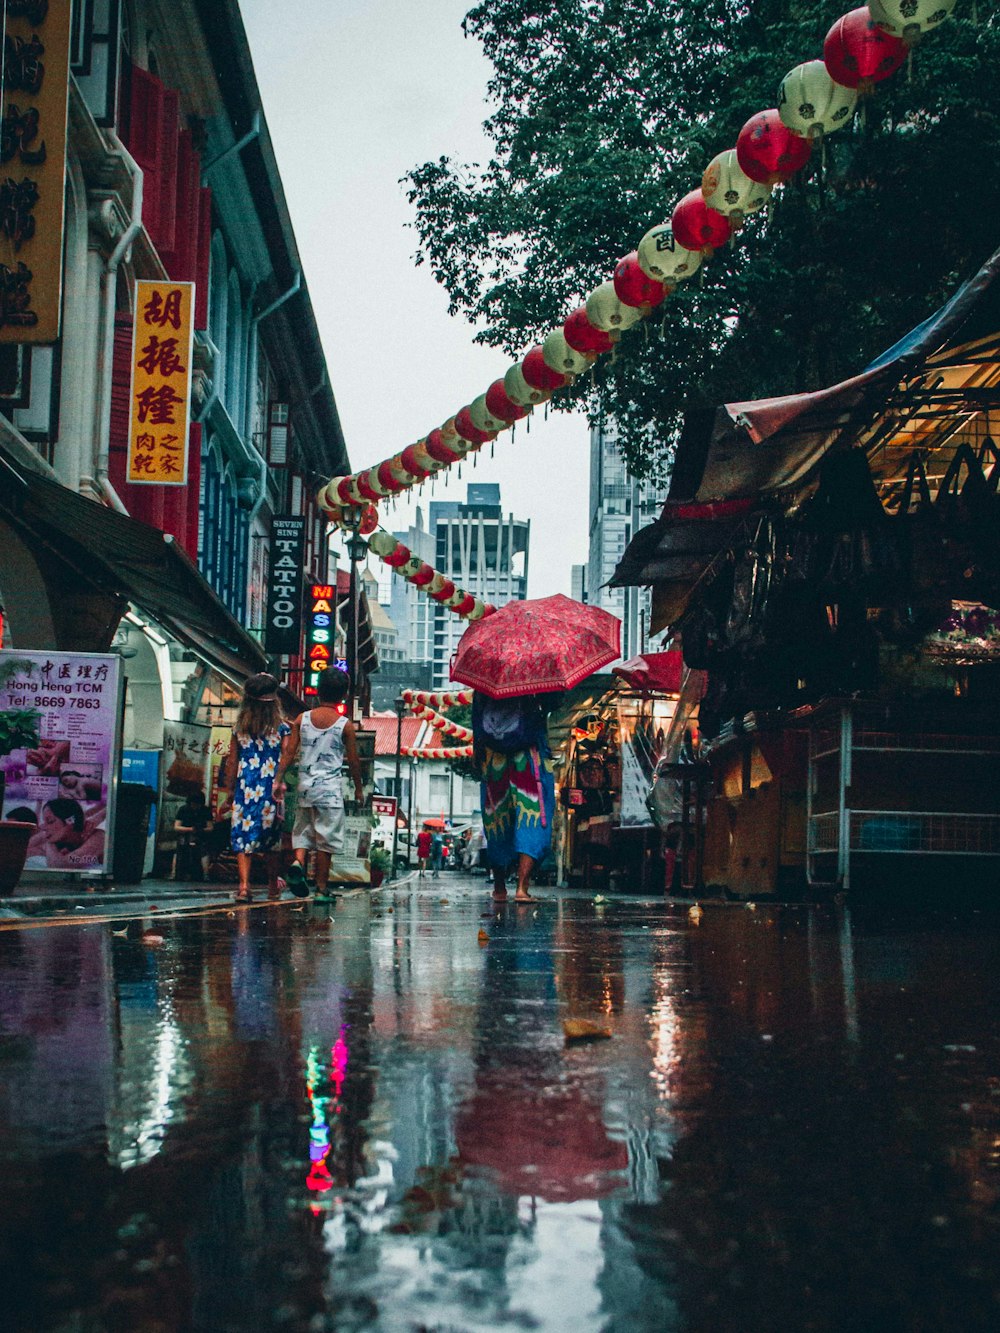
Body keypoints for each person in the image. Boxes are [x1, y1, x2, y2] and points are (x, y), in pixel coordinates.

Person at [275, 667, 363, 900]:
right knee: (326, 839)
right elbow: (353, 761)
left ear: (318, 691)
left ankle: (298, 861)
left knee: (303, 830)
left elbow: (289, 752)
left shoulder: (301, 719)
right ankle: (322, 888)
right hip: (330, 791)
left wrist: (278, 778)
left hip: (305, 787)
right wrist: (359, 789)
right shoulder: (345, 725)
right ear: (343, 694)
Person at [472, 692, 559, 904]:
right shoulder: (536, 680)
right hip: (530, 760)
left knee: (497, 822)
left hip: (495, 762)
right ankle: (522, 887)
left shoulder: (486, 681)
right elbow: (554, 704)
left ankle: (499, 887)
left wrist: (477, 752)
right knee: (533, 819)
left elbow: (477, 721)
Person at [218, 672, 289, 904]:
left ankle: (244, 886)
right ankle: (271, 886)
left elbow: (232, 762)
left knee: (243, 836)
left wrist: (229, 793)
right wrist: (280, 778)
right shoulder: (282, 729)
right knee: (271, 839)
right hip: (271, 787)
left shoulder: (239, 729)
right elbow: (288, 756)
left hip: (245, 786)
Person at [25, 797, 106, 870]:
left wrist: (48, 846)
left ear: (70, 822)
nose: (43, 827)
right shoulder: (50, 834)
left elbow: (61, 866)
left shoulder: (98, 837)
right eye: (44, 821)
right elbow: (21, 851)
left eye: (50, 821)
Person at [173, 789, 212, 882]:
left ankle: (206, 874)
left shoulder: (205, 811)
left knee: (204, 851)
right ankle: (174, 873)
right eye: (193, 804)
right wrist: (190, 829)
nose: (195, 807)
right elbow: (176, 827)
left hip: (200, 834)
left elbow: (210, 827)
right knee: (179, 849)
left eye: (198, 805)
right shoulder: (183, 810)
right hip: (185, 834)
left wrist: (200, 830)